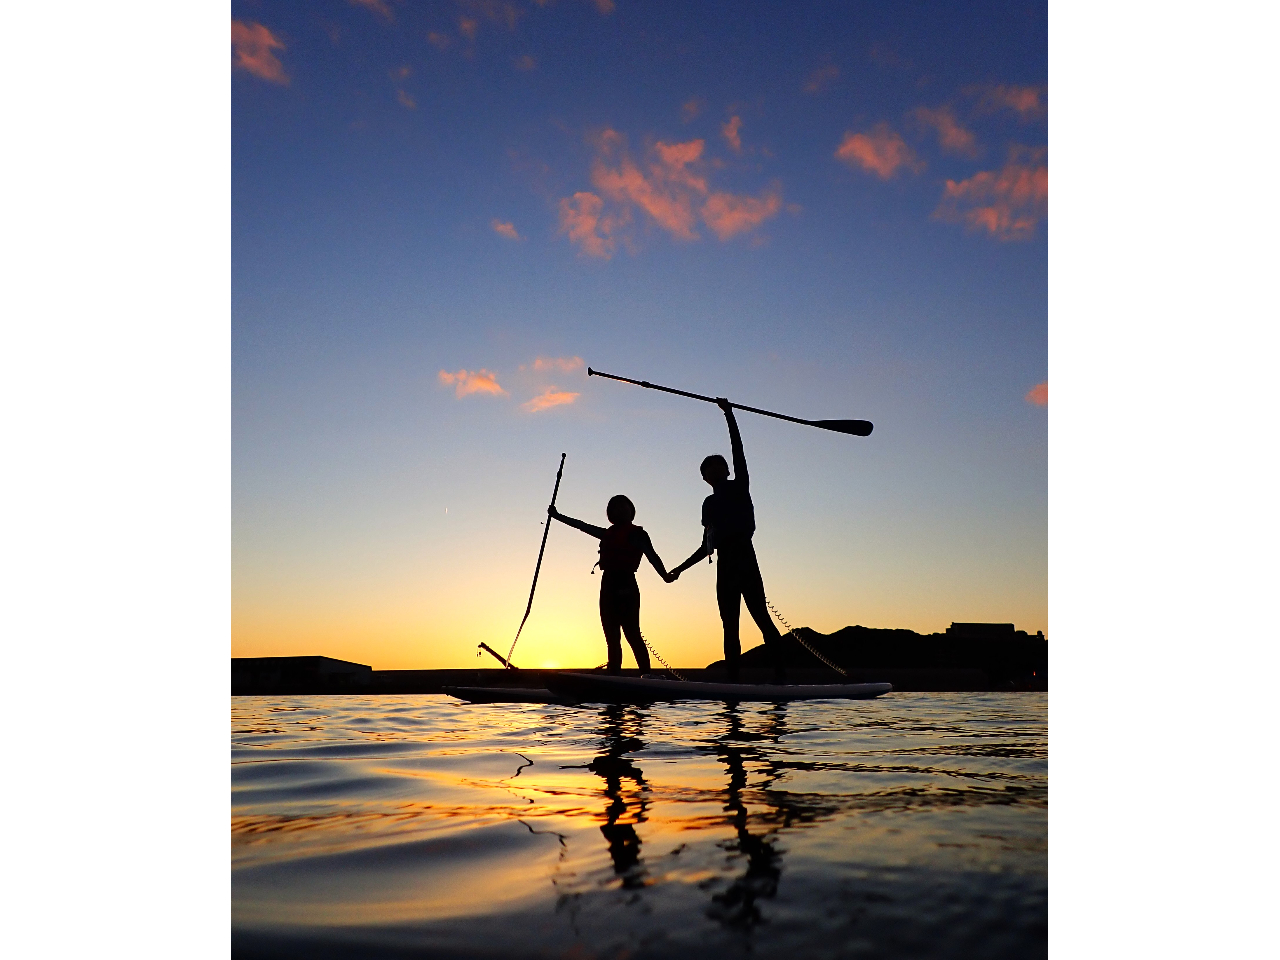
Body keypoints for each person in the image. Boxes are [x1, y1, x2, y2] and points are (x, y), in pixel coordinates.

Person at [669, 399, 788, 682]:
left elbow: (739, 451)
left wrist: (729, 415)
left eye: (719, 466)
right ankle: (733, 684)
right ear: (705, 478)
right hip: (725, 565)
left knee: (762, 618)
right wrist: (680, 569)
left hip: (746, 557)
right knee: (729, 626)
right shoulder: (708, 504)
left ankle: (780, 678)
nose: (715, 470)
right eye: (709, 469)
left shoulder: (739, 487)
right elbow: (706, 546)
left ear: (727, 471)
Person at [548, 494, 674, 674]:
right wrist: (557, 516)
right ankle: (614, 673)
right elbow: (582, 526)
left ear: (631, 511)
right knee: (612, 636)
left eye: (624, 507)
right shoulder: (607, 533)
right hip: (608, 586)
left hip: (627, 584)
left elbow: (652, 556)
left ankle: (646, 674)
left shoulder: (638, 534)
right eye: (615, 508)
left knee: (632, 634)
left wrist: (665, 576)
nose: (620, 510)